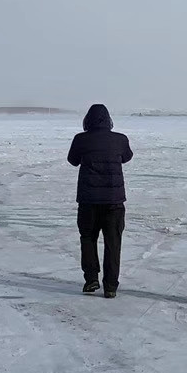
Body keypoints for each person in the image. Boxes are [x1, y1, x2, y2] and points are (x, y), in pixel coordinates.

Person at [67, 104, 133, 299]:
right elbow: (127, 157)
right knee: (113, 243)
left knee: (88, 239)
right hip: (114, 202)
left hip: (88, 201)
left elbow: (73, 160)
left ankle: (91, 279)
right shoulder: (120, 139)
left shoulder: (81, 139)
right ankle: (110, 286)